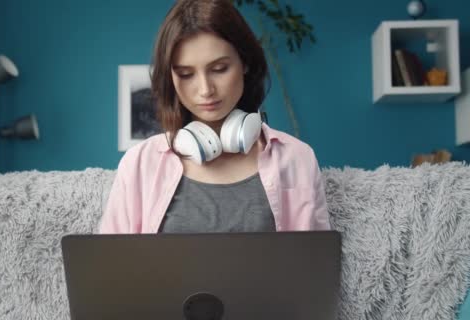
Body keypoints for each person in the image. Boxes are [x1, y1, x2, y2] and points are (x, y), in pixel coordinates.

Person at [99, 0, 330, 234]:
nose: (205, 89)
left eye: (219, 69)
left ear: (245, 63)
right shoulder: (139, 163)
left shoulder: (297, 158)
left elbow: (317, 262)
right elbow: (110, 264)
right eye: (186, 74)